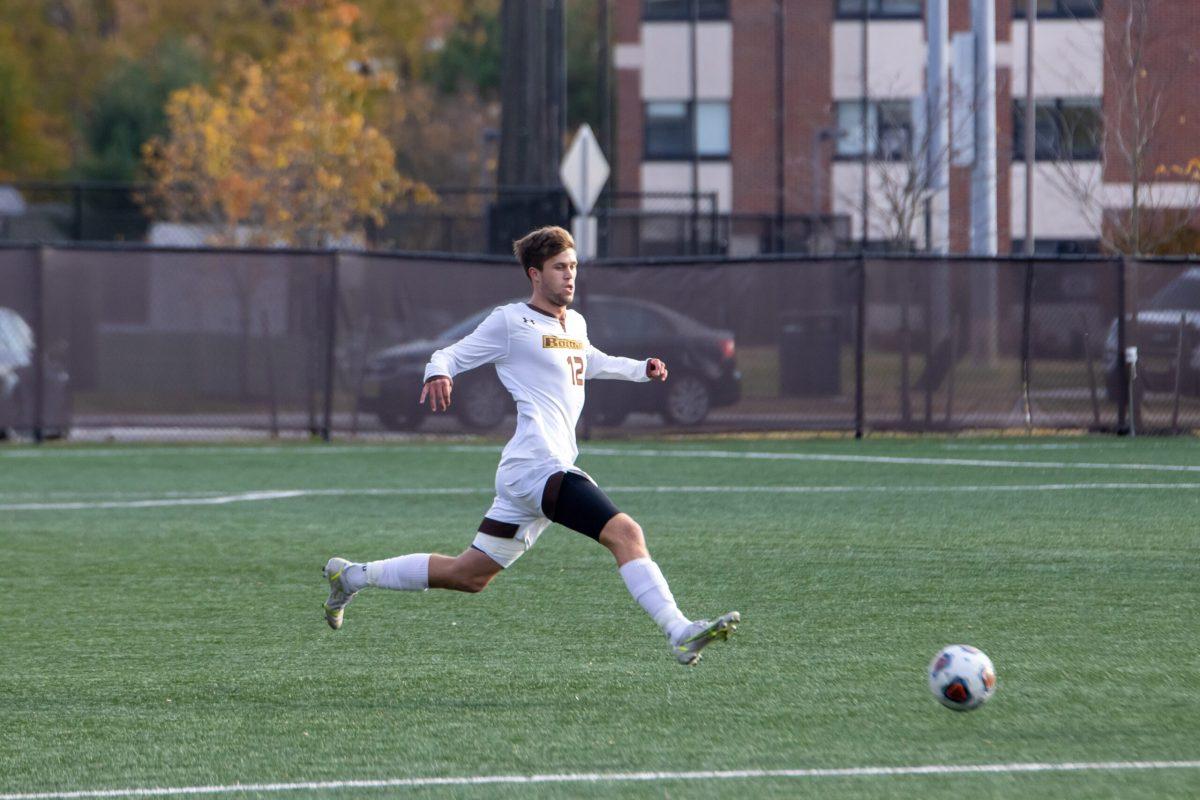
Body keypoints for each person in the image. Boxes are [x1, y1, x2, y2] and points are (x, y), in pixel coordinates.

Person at [322, 226, 739, 665]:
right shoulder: (510, 322)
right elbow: (450, 354)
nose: (570, 276)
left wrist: (641, 369)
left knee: (469, 574)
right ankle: (679, 631)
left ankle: (351, 577)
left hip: (534, 474)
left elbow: (589, 359)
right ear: (534, 273)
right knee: (626, 533)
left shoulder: (574, 323)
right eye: (560, 267)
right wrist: (437, 373)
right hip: (538, 467)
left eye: (574, 266)